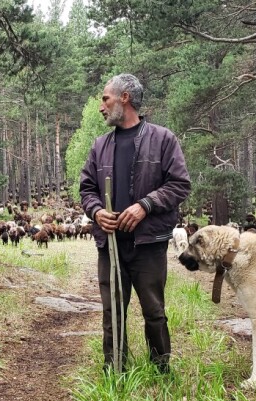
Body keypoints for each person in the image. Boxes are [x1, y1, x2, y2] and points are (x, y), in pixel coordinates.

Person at [79, 73, 191, 373]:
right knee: (112, 311)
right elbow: (87, 189)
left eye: (105, 99)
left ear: (124, 98)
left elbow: (180, 184)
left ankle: (160, 370)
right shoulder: (100, 145)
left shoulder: (163, 139)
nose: (102, 106)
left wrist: (146, 205)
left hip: (148, 244)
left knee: (154, 310)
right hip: (110, 243)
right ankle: (115, 371)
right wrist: (96, 212)